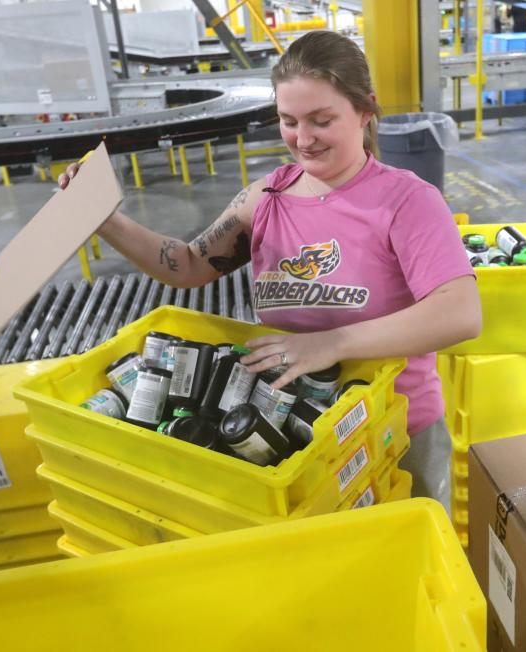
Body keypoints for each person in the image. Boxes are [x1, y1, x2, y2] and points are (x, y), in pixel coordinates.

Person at [59, 31, 482, 510]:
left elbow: (460, 313)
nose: (303, 139)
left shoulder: (407, 202)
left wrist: (331, 343)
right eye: (288, 121)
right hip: (284, 429)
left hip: (391, 430)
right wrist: (104, 220)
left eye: (322, 121)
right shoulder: (265, 199)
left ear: (366, 111)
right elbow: (188, 264)